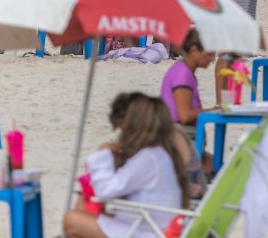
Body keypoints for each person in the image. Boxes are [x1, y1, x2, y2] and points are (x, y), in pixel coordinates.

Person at [62, 94, 188, 238]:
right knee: (86, 212)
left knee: (71, 220)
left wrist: (103, 154)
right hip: (154, 225)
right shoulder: (161, 153)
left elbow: (105, 191)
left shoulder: (148, 158)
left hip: (151, 231)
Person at [160, 29, 216, 139]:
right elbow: (185, 116)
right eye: (209, 54)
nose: (212, 59)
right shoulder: (183, 74)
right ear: (194, 50)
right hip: (179, 137)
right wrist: (214, 111)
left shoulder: (183, 70)